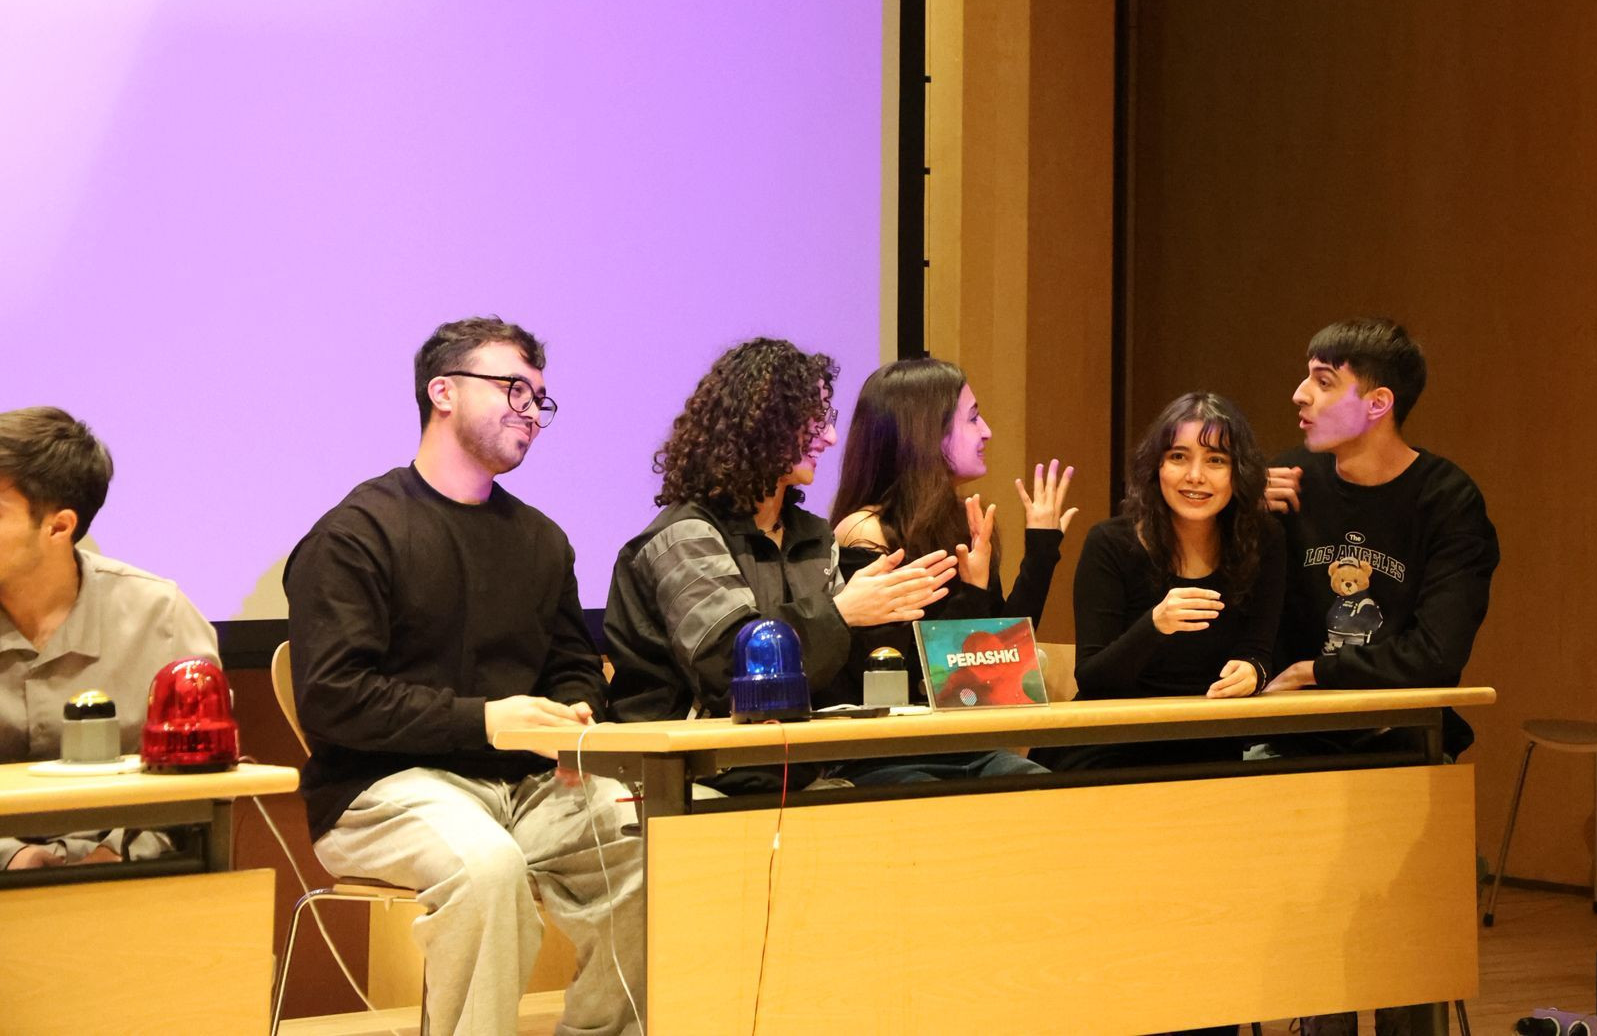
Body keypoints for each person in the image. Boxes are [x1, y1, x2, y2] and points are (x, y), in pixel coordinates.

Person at [285, 317, 645, 1036]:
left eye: (539, 398)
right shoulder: (356, 534)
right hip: (380, 788)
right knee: (486, 865)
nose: (530, 411)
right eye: (513, 388)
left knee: (643, 838)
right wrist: (486, 721)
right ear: (442, 392)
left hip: (526, 787)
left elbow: (573, 665)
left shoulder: (541, 539)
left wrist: (574, 715)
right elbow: (332, 697)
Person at [1263, 317, 1499, 1036]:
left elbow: (1435, 655)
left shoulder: (1446, 499)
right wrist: (1243, 519)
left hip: (1404, 750)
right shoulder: (1288, 486)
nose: (1299, 395)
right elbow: (1244, 627)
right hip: (1298, 751)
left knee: (1404, 967)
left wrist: (1318, 669)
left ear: (1377, 404)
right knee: (1315, 964)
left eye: (1323, 381)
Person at [605, 340, 959, 772]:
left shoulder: (813, 535)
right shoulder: (684, 537)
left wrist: (888, 619)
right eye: (814, 419)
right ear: (763, 422)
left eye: (828, 419)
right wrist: (842, 613)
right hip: (692, 774)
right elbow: (729, 671)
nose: (830, 437)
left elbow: (837, 685)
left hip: (795, 766)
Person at [0, 406, 218, 870]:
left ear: (59, 526)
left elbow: (202, 783)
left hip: (134, 876)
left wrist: (117, 853)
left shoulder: (161, 617)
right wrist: (13, 857)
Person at [828, 357, 1077, 710]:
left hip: (966, 729)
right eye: (973, 418)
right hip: (900, 736)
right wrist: (972, 592)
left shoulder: (960, 520)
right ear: (928, 431)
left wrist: (1042, 549)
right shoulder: (866, 529)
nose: (986, 431)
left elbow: (1004, 654)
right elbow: (907, 675)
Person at [1059, 391, 1284, 771]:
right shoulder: (1110, 542)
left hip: (1209, 741)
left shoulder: (1264, 539)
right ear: (1156, 467)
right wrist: (1155, 624)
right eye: (1178, 457)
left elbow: (1258, 651)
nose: (1195, 475)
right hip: (1110, 744)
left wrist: (1252, 672)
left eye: (1215, 460)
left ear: (1238, 472)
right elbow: (1093, 679)